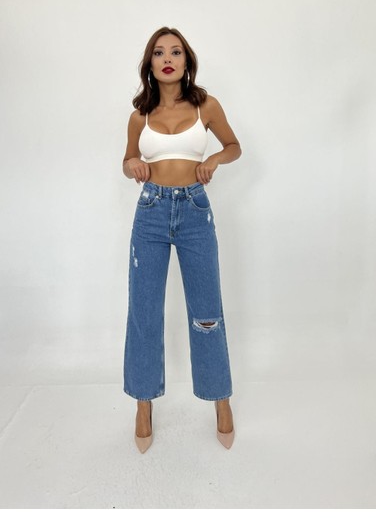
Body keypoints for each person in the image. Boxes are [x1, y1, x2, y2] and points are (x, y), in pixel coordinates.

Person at [122, 26, 242, 453]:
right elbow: (127, 158)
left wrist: (214, 159)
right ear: (150, 63)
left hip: (194, 210)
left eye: (175, 52)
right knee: (144, 312)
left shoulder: (206, 105)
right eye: (159, 53)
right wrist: (132, 164)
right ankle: (143, 405)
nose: (167, 59)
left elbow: (234, 146)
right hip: (151, 212)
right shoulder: (139, 115)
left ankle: (221, 401)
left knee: (207, 312)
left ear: (187, 61)